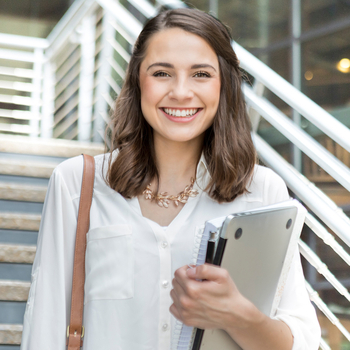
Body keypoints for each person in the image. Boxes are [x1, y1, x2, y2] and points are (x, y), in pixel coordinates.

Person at [20, 7, 321, 350]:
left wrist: (237, 315)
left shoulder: (261, 190)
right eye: (162, 73)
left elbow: (302, 341)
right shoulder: (77, 184)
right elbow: (44, 328)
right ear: (138, 80)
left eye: (201, 74)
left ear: (224, 85)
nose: (180, 92)